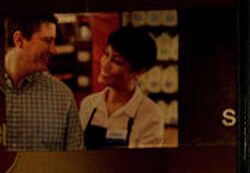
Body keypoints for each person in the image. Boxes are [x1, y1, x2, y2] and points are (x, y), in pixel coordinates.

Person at [2, 14, 84, 151]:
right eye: (47, 40)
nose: (54, 50)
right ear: (19, 40)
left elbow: (76, 160)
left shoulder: (62, 96)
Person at [78, 27, 164, 148]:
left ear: (138, 71)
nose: (105, 64)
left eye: (116, 61)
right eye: (106, 54)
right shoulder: (88, 104)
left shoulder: (151, 115)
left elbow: (146, 164)